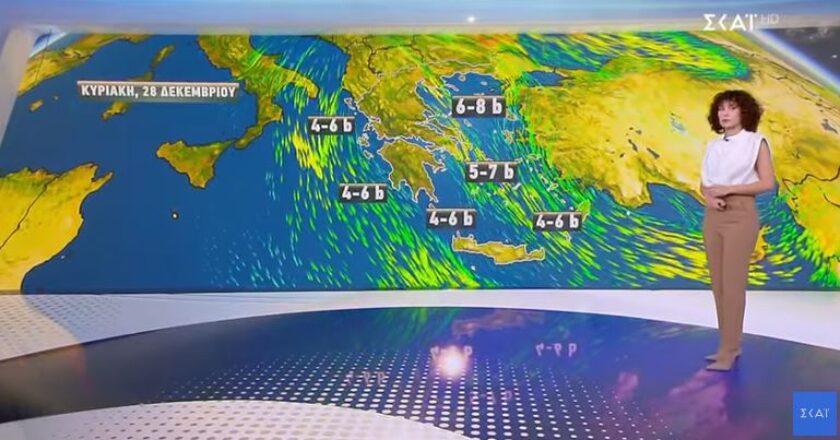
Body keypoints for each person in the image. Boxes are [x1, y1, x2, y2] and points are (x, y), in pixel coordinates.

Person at [700, 90, 776, 372]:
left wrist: (729, 189)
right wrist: (709, 197)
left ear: (744, 112)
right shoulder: (712, 146)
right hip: (713, 216)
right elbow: (704, 183)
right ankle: (728, 344)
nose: (725, 113)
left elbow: (767, 182)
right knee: (718, 284)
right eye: (721, 108)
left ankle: (729, 350)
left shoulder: (756, 143)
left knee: (732, 285)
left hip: (741, 216)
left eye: (731, 108)